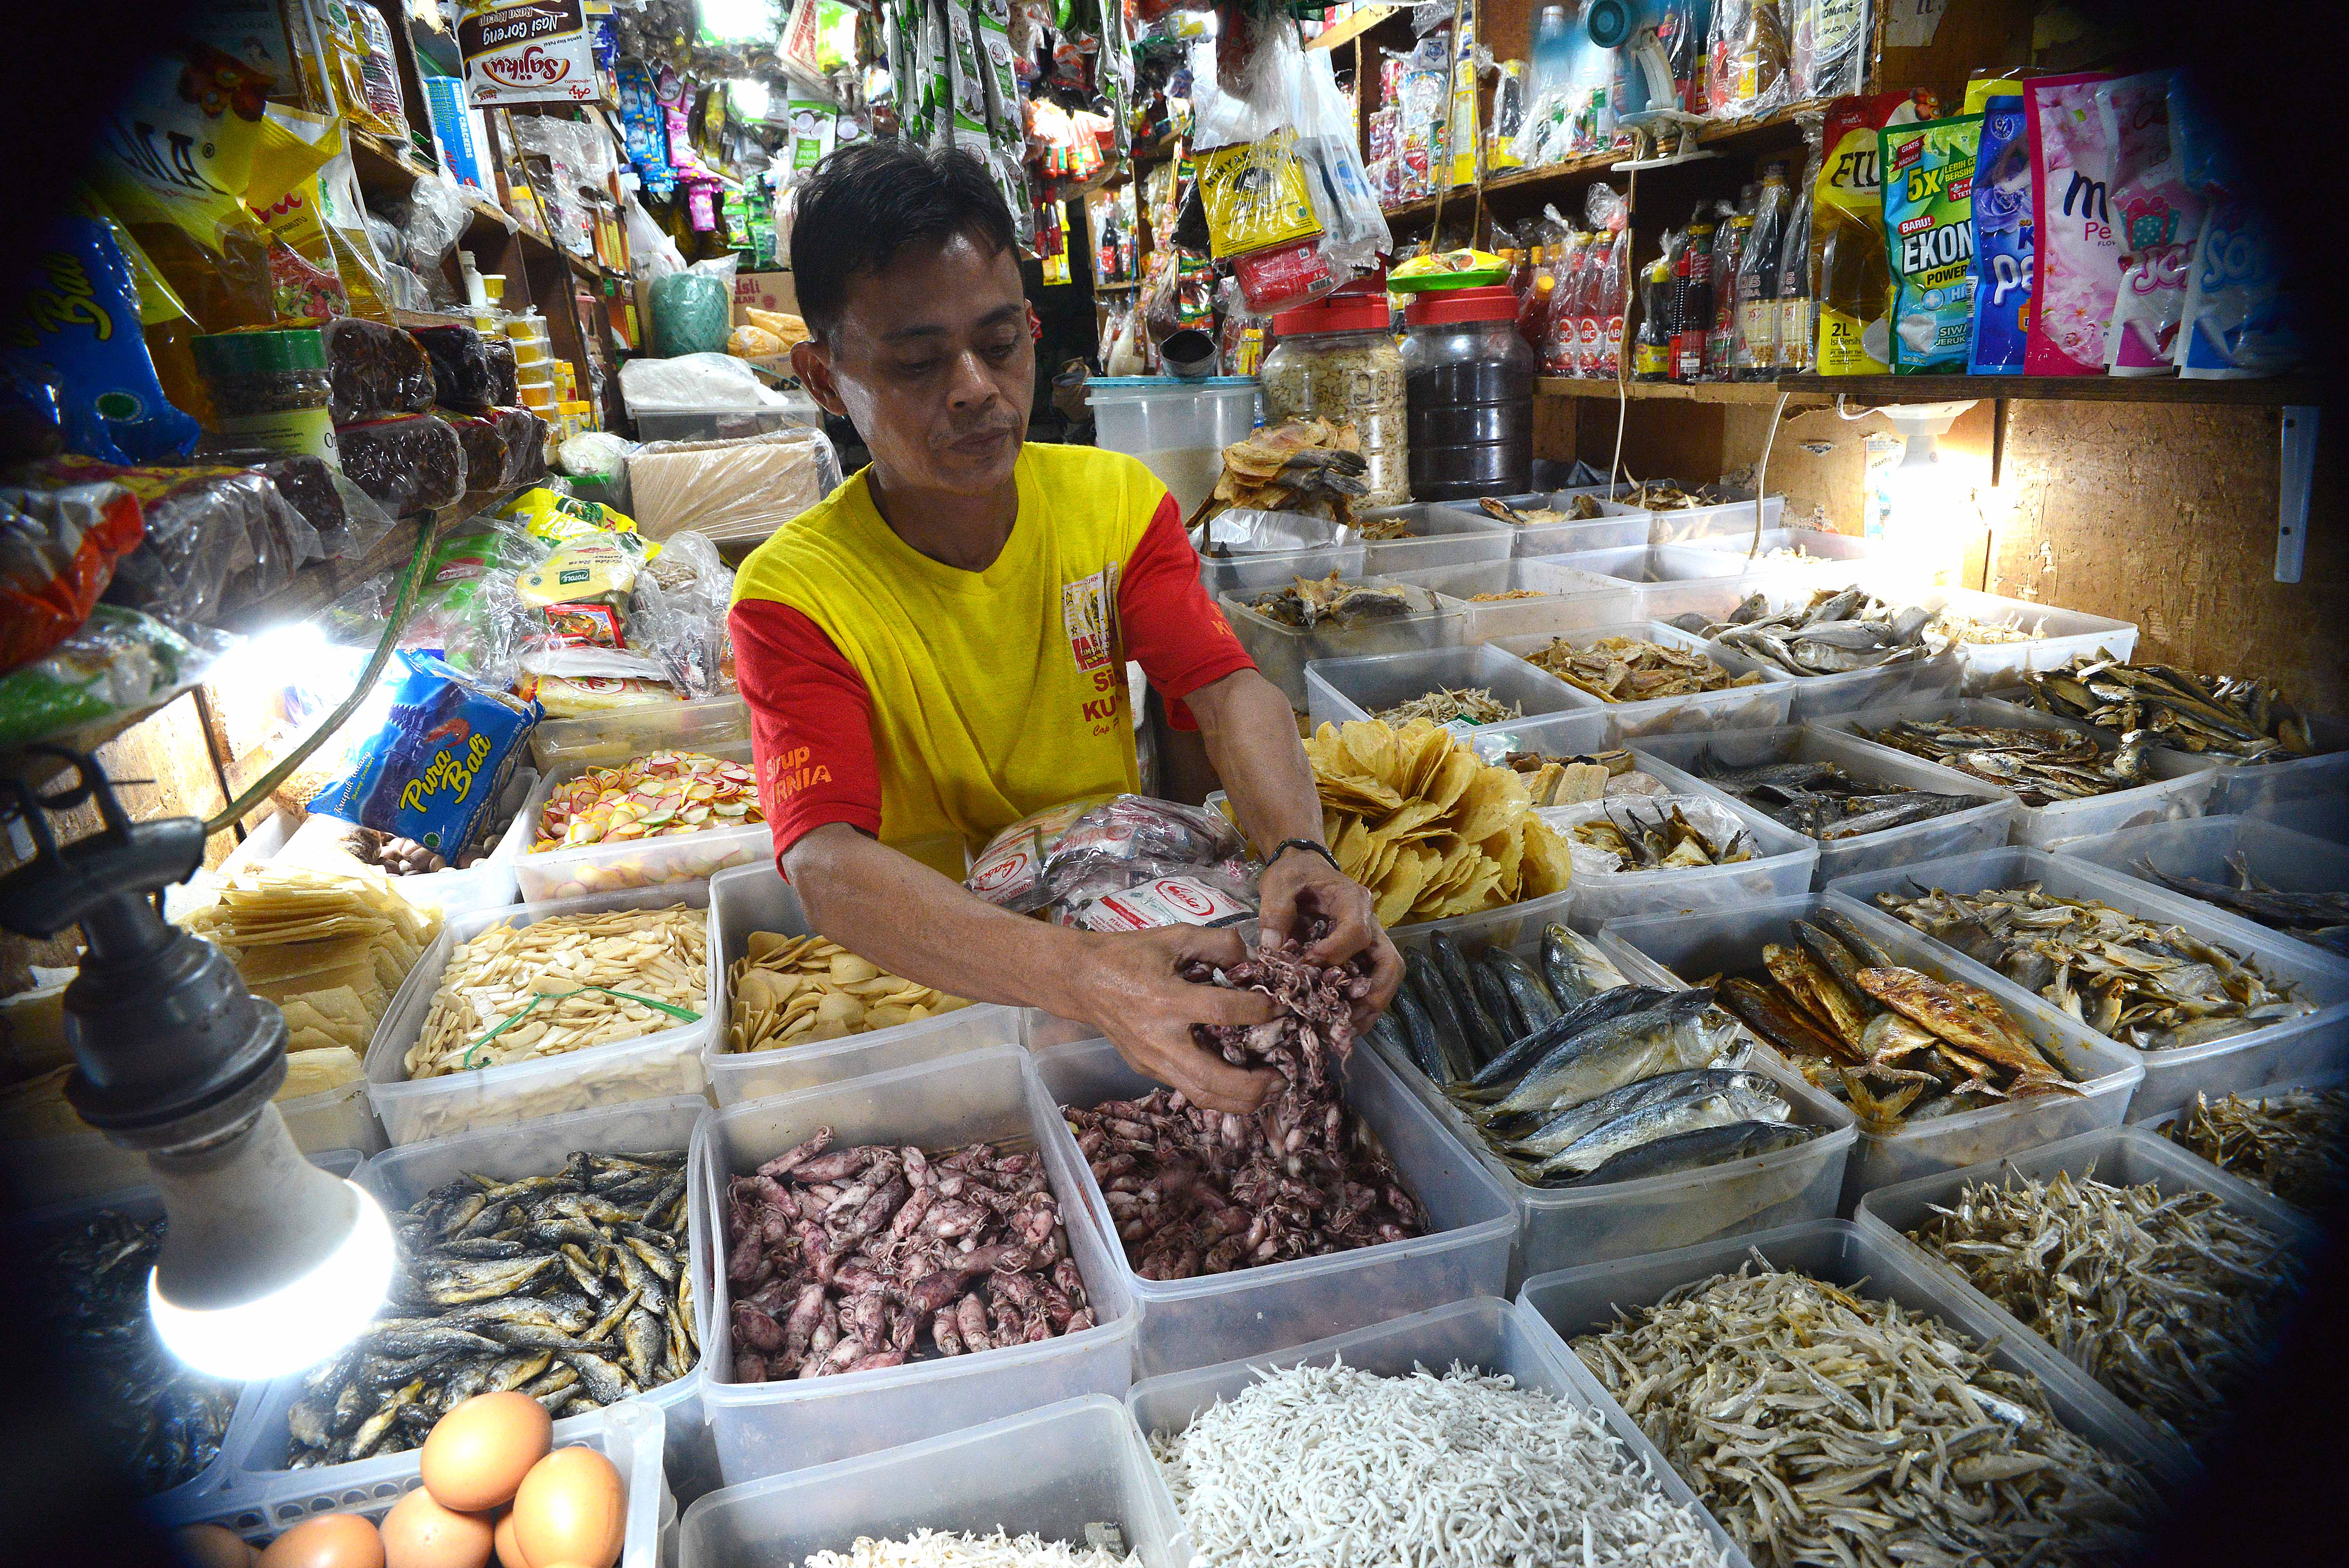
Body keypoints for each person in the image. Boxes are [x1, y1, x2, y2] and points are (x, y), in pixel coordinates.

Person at [728, 142, 1401, 1114]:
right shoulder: (791, 594)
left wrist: (1299, 850)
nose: (974, 387)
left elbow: (1223, 688)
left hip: (1132, 924)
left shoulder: (1113, 506)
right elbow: (826, 865)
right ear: (824, 379)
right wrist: (1081, 976)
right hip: (940, 988)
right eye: (917, 361)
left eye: (1001, 344)